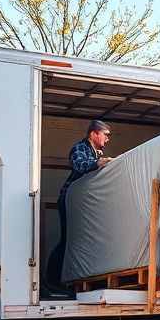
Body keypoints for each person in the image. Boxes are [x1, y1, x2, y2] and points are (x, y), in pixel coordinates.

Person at [42, 120, 113, 299]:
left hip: (84, 204)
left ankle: (72, 280)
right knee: (67, 240)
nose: (107, 139)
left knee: (81, 241)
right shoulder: (79, 149)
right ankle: (51, 281)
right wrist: (98, 163)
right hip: (69, 201)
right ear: (93, 134)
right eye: (105, 134)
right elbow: (80, 165)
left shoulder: (98, 153)